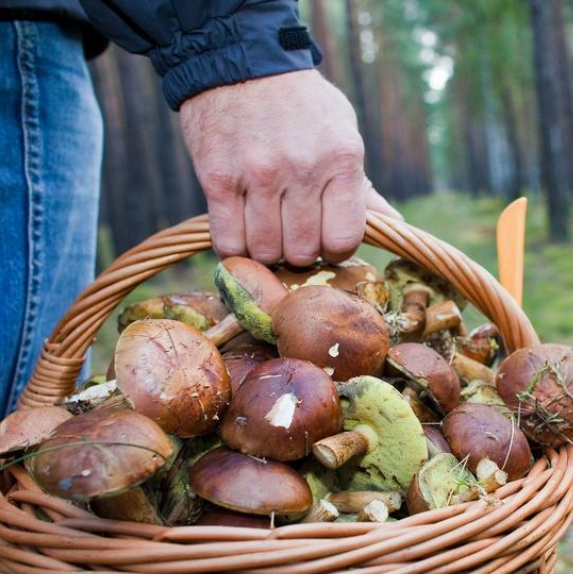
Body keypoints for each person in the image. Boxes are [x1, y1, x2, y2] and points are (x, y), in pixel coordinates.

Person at [0, 0, 399, 414]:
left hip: (27, 44)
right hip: (21, 44)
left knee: (35, 427)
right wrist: (236, 48)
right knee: (31, 431)